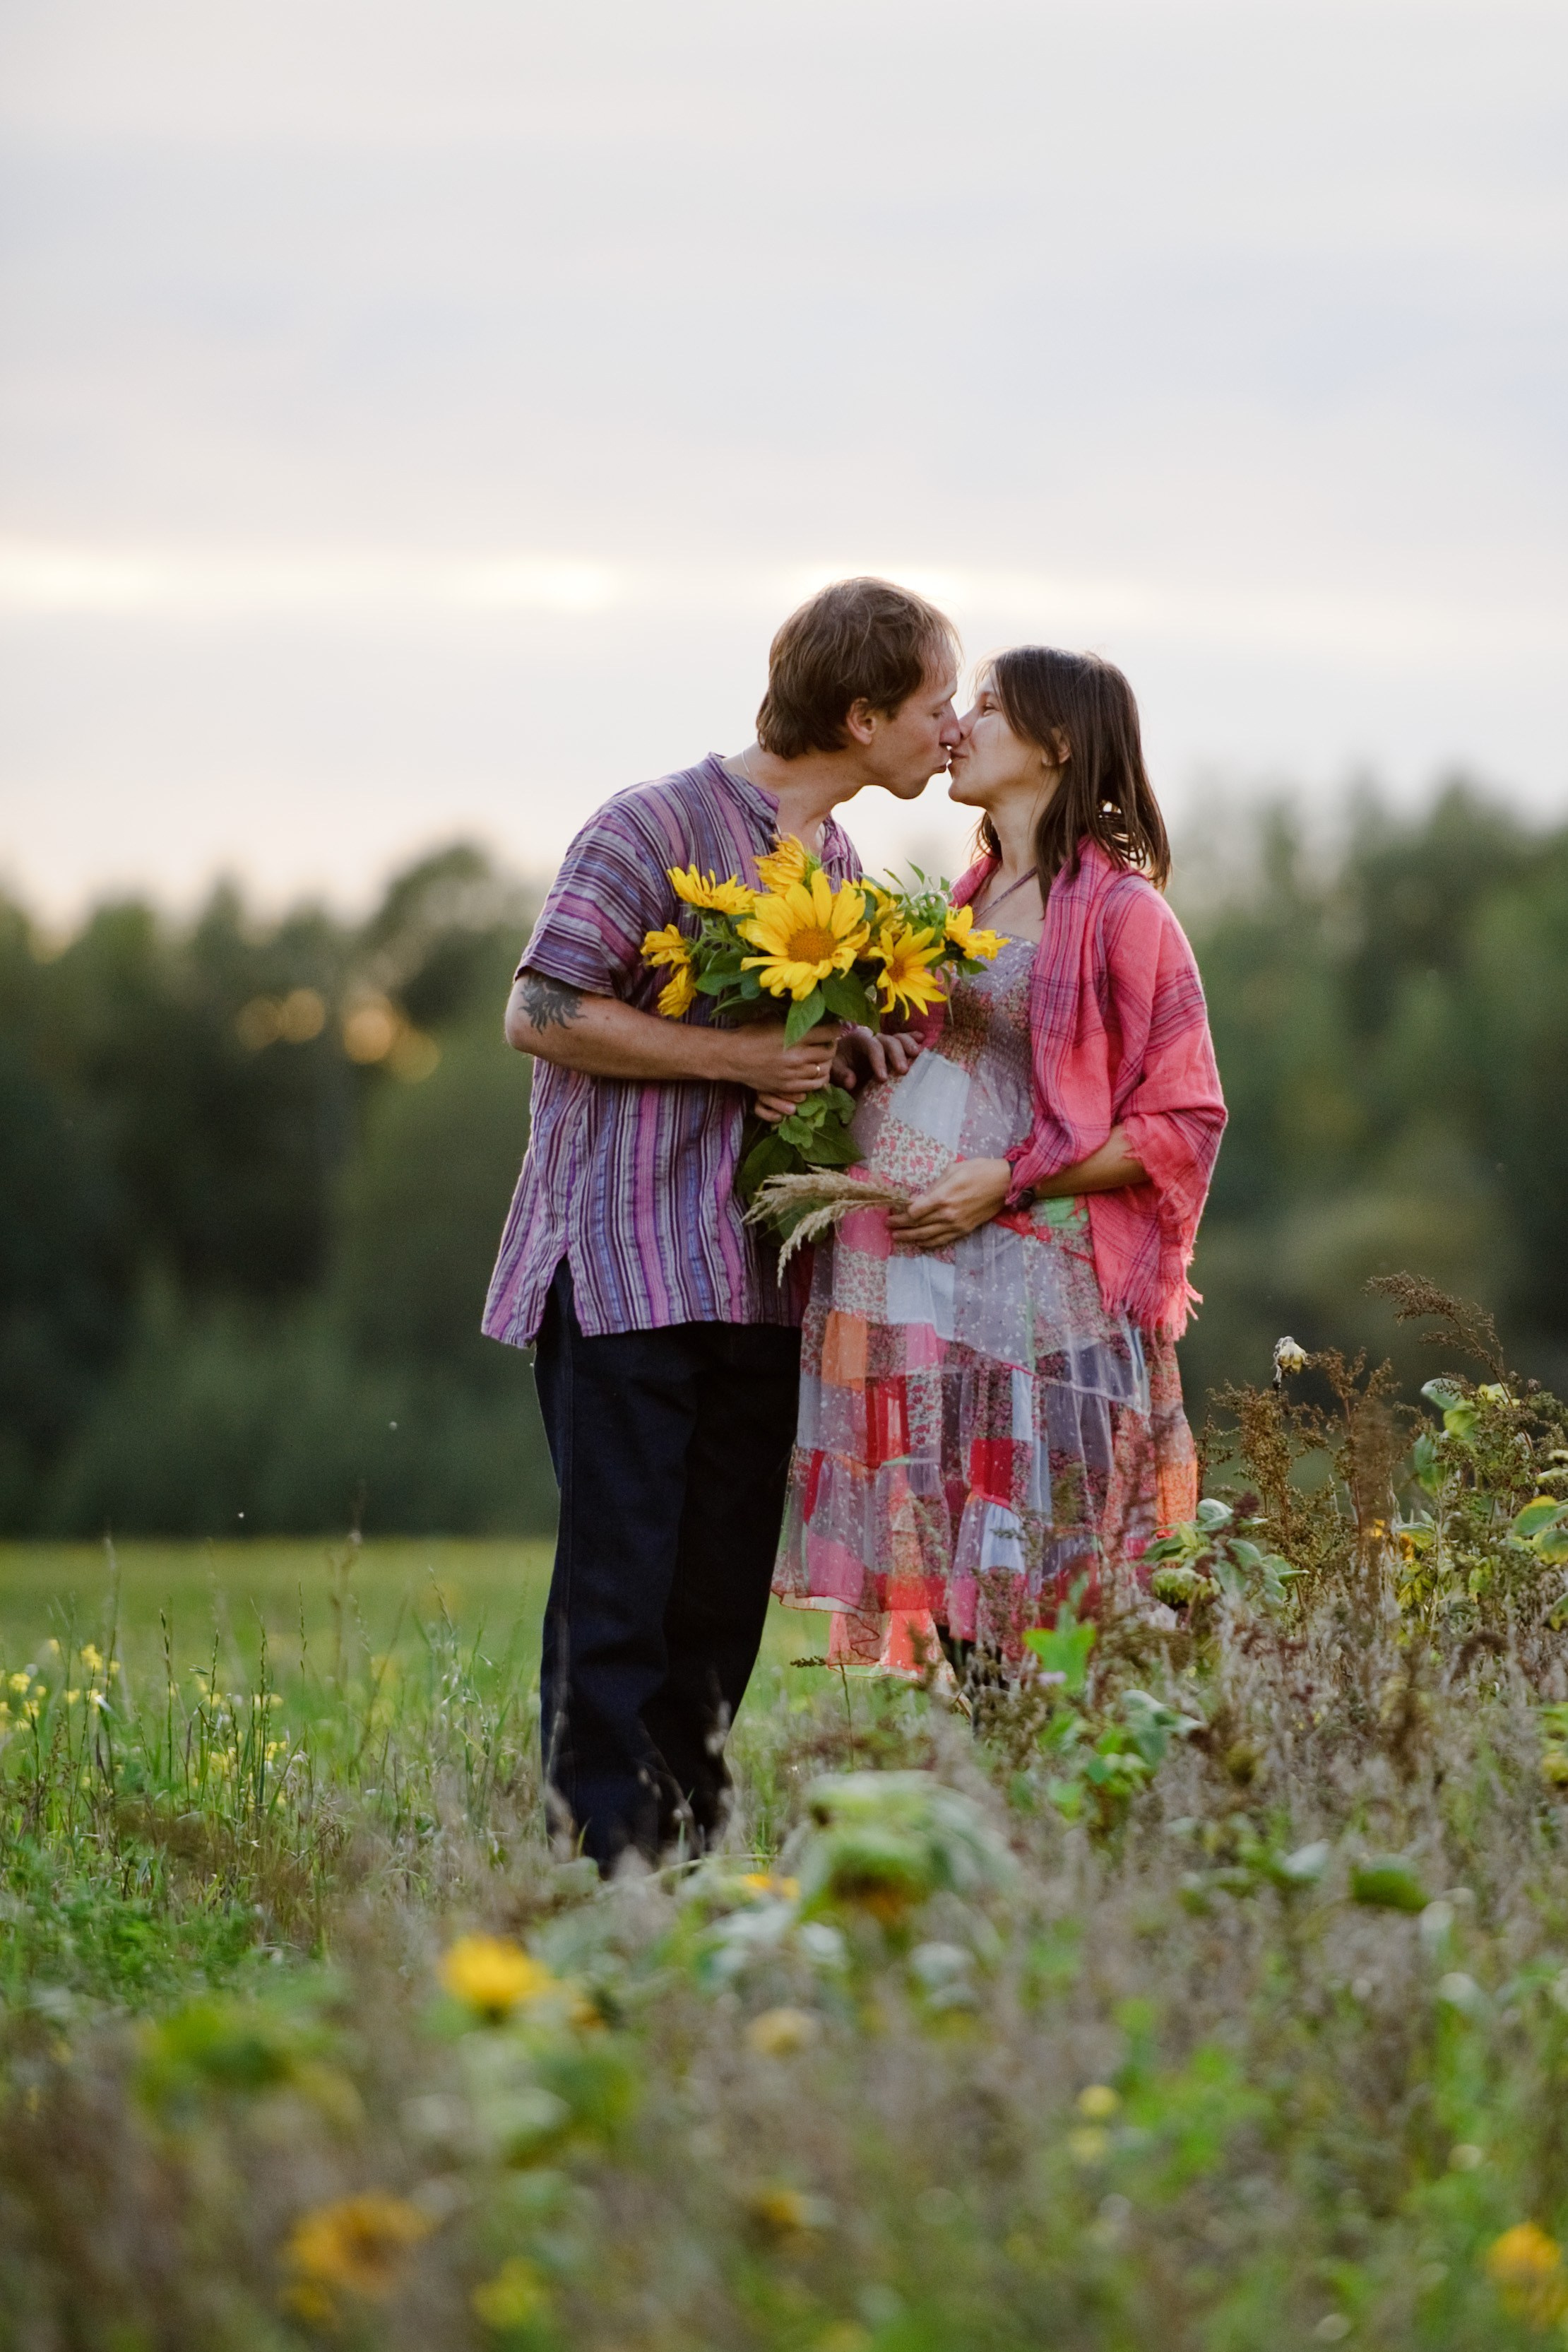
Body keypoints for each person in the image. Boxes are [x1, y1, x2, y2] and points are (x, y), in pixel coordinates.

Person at [483, 577, 961, 1869]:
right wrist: (732, 1059)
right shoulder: (650, 823)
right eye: (934, 702)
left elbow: (795, 1047)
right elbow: (541, 1011)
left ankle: (684, 1861)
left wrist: (846, 1048)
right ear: (862, 715)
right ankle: (600, 1873)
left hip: (761, 1283)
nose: (953, 727)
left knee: (716, 1609)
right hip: (629, 1265)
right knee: (619, 1594)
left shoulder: (844, 867)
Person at [772, 646, 1227, 1676]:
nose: (959, 726)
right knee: (971, 1594)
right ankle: (999, 1799)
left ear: (1057, 744)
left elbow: (1185, 1119)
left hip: (1041, 1304)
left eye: (986, 707)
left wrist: (1009, 1179)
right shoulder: (967, 900)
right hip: (939, 1294)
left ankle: (1065, 1812)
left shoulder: (1124, 914)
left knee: (1052, 1587)